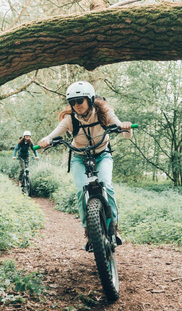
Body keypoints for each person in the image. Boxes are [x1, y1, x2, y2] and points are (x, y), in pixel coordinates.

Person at [38, 81, 132, 250]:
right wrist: (46, 140)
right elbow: (53, 134)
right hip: (79, 157)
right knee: (82, 190)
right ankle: (89, 232)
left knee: (106, 185)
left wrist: (126, 127)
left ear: (89, 99)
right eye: (72, 102)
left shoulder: (104, 112)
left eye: (79, 100)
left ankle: (114, 227)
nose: (76, 105)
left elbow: (124, 132)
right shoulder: (70, 119)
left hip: (102, 154)